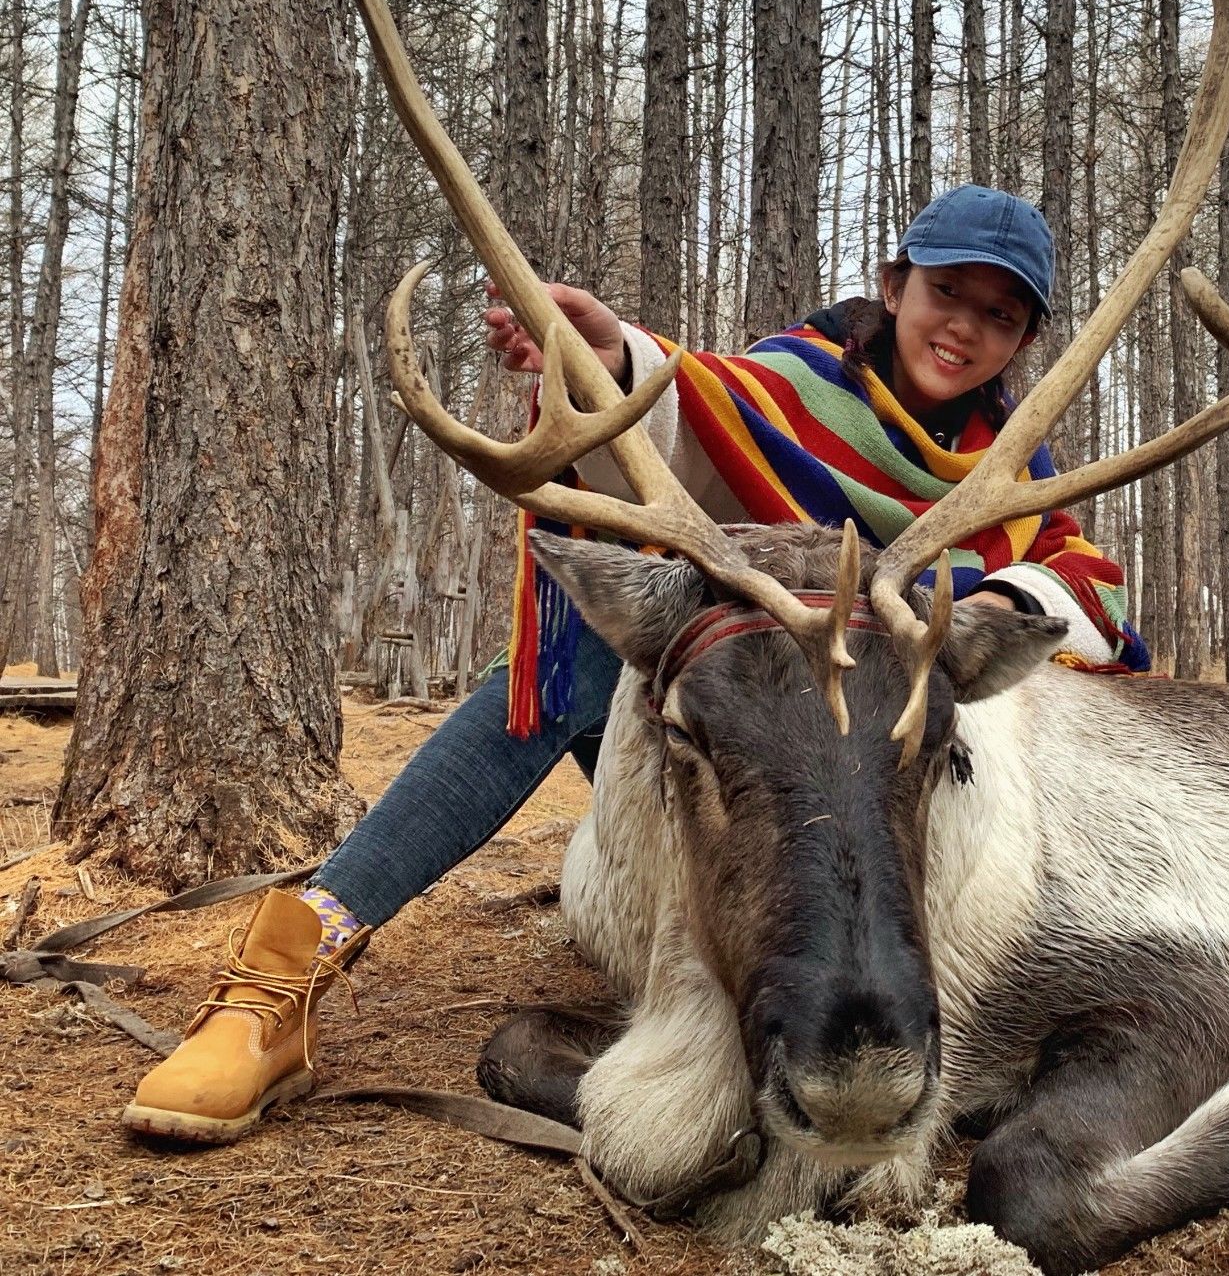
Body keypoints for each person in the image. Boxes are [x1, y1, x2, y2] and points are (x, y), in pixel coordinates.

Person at [123, 185, 1147, 1143]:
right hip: (736, 751)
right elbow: (686, 405)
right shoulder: (794, 386)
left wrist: (981, 608)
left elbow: (1079, 585)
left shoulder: (1016, 468)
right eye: (946, 292)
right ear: (893, 285)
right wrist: (604, 356)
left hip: (873, 790)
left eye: (1001, 317)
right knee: (570, 667)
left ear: (1021, 343)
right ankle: (288, 964)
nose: (963, 328)